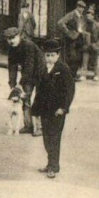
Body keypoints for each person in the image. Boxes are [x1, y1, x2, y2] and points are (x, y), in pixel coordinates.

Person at [32, 38, 75, 179]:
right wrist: (35, 109)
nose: (49, 58)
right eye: (47, 55)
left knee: (54, 138)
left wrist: (64, 107)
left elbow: (69, 91)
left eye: (52, 55)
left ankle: (53, 167)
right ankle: (50, 163)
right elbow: (39, 90)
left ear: (58, 55)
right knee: (46, 138)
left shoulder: (63, 69)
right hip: (45, 109)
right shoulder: (43, 69)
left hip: (57, 111)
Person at [4, 26, 46, 135]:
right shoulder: (12, 49)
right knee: (25, 99)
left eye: (13, 37)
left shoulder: (28, 45)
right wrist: (13, 84)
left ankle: (41, 127)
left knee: (39, 99)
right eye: (8, 38)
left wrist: (20, 84)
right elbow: (12, 67)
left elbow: (29, 66)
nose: (11, 40)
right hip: (28, 74)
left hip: (40, 73)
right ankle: (28, 126)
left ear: (19, 36)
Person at [57, 0, 87, 80]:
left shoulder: (82, 16)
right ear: (77, 7)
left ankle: (74, 75)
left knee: (78, 56)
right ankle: (70, 75)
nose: (82, 9)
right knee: (72, 57)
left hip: (79, 37)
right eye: (80, 7)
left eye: (83, 8)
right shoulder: (71, 14)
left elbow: (81, 26)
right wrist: (68, 33)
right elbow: (60, 23)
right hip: (72, 38)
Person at [83, 8, 99, 78]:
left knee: (96, 60)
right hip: (87, 44)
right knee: (84, 60)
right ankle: (83, 75)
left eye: (89, 16)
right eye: (87, 16)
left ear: (93, 16)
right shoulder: (84, 25)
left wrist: (98, 45)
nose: (88, 17)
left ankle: (96, 75)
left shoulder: (97, 25)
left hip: (95, 44)